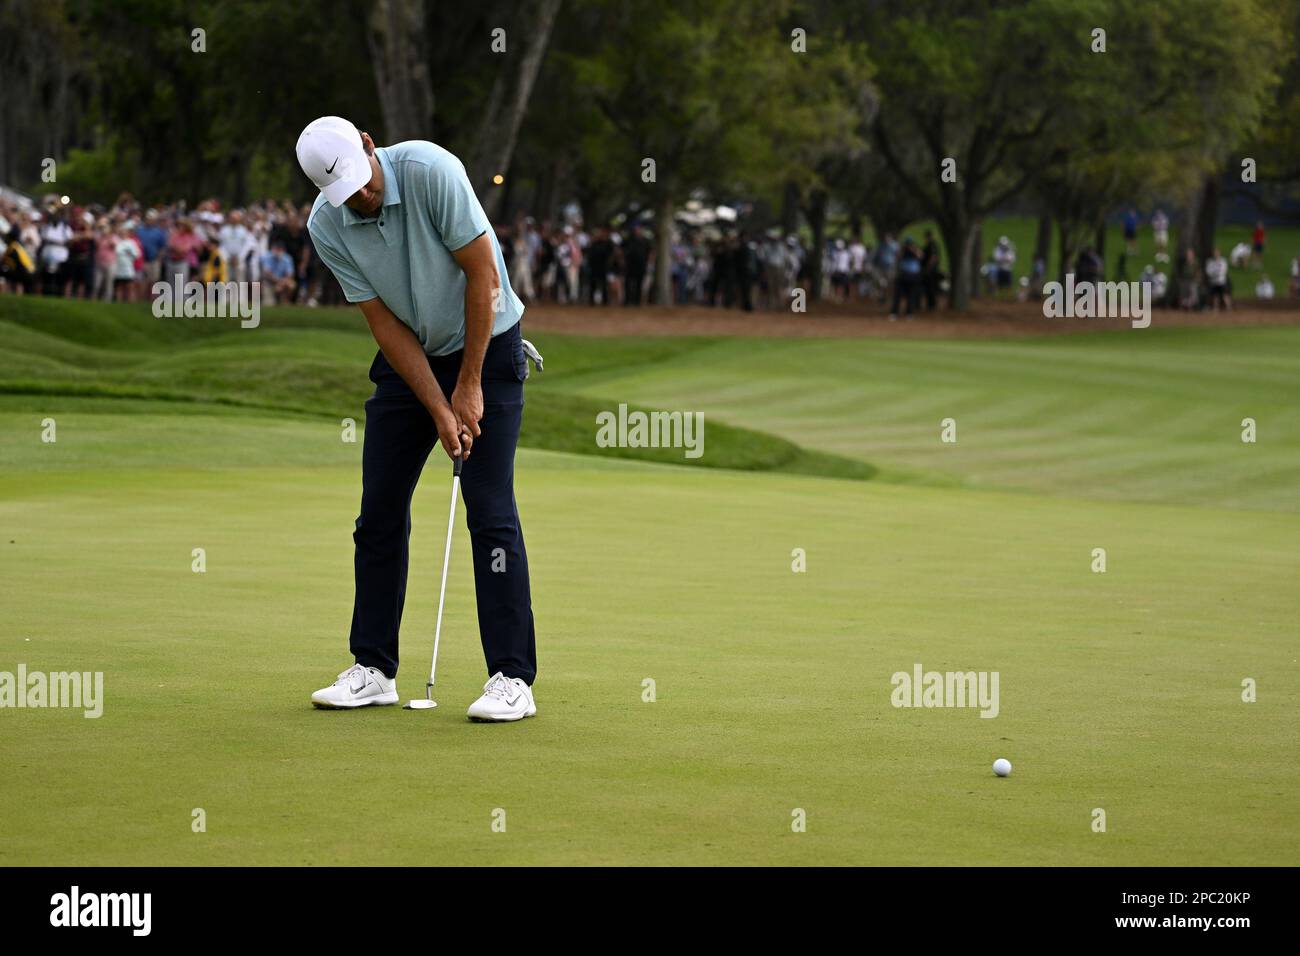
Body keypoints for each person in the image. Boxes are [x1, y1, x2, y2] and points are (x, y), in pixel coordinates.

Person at [296, 115, 537, 722]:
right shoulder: (327, 225)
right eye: (344, 192)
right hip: (413, 356)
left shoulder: (432, 171)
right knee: (377, 510)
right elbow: (383, 323)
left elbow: (483, 277)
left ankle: (512, 677)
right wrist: (437, 404)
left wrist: (470, 385)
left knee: (489, 510)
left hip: (488, 341)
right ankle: (373, 667)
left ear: (370, 147)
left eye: (362, 183)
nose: (360, 198)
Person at [0, 227, 37, 294]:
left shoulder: (13, 247)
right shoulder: (16, 246)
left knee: (8, 274)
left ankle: (9, 292)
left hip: (27, 271)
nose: (5, 239)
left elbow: (5, 260)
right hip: (29, 270)